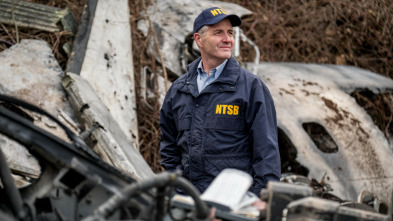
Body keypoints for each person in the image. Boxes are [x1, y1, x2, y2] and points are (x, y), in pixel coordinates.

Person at [159, 6, 281, 197]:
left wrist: (262, 199)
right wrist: (175, 190)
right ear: (199, 39)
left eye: (230, 33)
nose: (228, 39)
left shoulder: (251, 87)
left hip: (233, 204)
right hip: (188, 202)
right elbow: (169, 147)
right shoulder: (179, 90)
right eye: (218, 33)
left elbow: (266, 152)